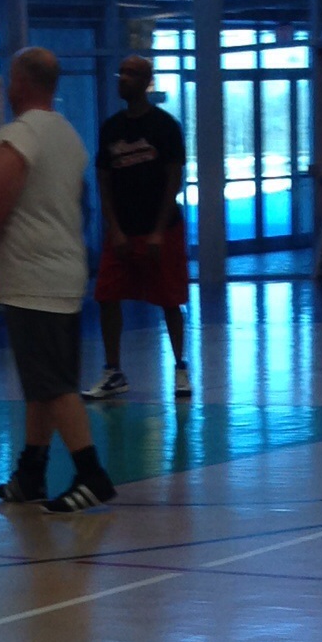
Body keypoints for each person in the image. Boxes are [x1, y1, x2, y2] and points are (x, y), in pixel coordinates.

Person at [0, 48, 115, 514]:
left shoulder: (18, 137)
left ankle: (91, 474)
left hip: (32, 277)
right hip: (65, 270)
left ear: (22, 83)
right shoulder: (68, 135)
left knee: (55, 383)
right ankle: (31, 473)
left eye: (12, 78)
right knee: (40, 383)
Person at [84, 53, 192, 401]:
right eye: (121, 72)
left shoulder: (165, 126)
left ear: (146, 81)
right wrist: (114, 228)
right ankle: (113, 372)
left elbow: (173, 179)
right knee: (106, 296)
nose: (123, 78)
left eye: (131, 73)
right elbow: (104, 182)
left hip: (162, 229)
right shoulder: (111, 128)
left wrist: (159, 230)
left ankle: (180, 368)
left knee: (170, 299)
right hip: (123, 231)